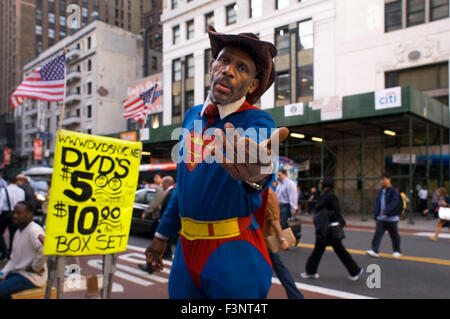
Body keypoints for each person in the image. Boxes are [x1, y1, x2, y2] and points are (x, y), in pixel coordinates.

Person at [145, 26, 289, 299]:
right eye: (224, 60)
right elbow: (183, 183)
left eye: (243, 68)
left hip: (232, 253)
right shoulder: (191, 116)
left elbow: (259, 169)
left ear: (254, 85)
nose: (229, 70)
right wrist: (163, 234)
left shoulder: (258, 122)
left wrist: (256, 176)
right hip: (185, 253)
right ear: (213, 65)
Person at [301, 178, 363, 281]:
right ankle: (355, 270)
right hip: (327, 228)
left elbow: (336, 211)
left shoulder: (330, 196)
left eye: (321, 183)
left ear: (325, 184)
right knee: (334, 250)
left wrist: (341, 222)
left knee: (323, 250)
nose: (319, 185)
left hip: (327, 228)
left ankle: (311, 271)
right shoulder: (327, 195)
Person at [0, 201, 47, 298]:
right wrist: (2, 273)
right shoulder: (18, 231)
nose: (15, 216)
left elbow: (45, 248)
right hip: (19, 274)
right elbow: (13, 260)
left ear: (30, 215)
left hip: (31, 278)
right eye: (14, 212)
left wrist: (35, 267)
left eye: (19, 213)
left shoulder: (34, 230)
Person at [263, 187, 304, 299]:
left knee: (275, 269)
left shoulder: (257, 191)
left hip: (261, 239)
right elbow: (274, 221)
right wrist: (282, 239)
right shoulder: (268, 193)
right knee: (279, 269)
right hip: (266, 239)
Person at [139, 176, 177, 274]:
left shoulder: (172, 191)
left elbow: (171, 208)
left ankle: (152, 265)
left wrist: (161, 235)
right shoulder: (174, 191)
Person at [366, 173, 402, 258]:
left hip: (392, 218)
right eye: (381, 179)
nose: (382, 181)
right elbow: (378, 203)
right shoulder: (381, 191)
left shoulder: (394, 191)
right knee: (378, 234)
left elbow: (394, 202)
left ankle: (397, 250)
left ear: (389, 179)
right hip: (381, 218)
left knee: (394, 235)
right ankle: (375, 250)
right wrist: (376, 214)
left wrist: (386, 211)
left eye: (384, 179)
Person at [0, 176, 25, 260]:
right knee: (14, 235)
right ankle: (11, 253)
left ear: (8, 182)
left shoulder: (4, 190)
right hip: (18, 214)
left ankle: (3, 250)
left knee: (0, 233)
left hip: (5, 213)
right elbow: (23, 203)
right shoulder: (21, 191)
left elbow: (1, 203)